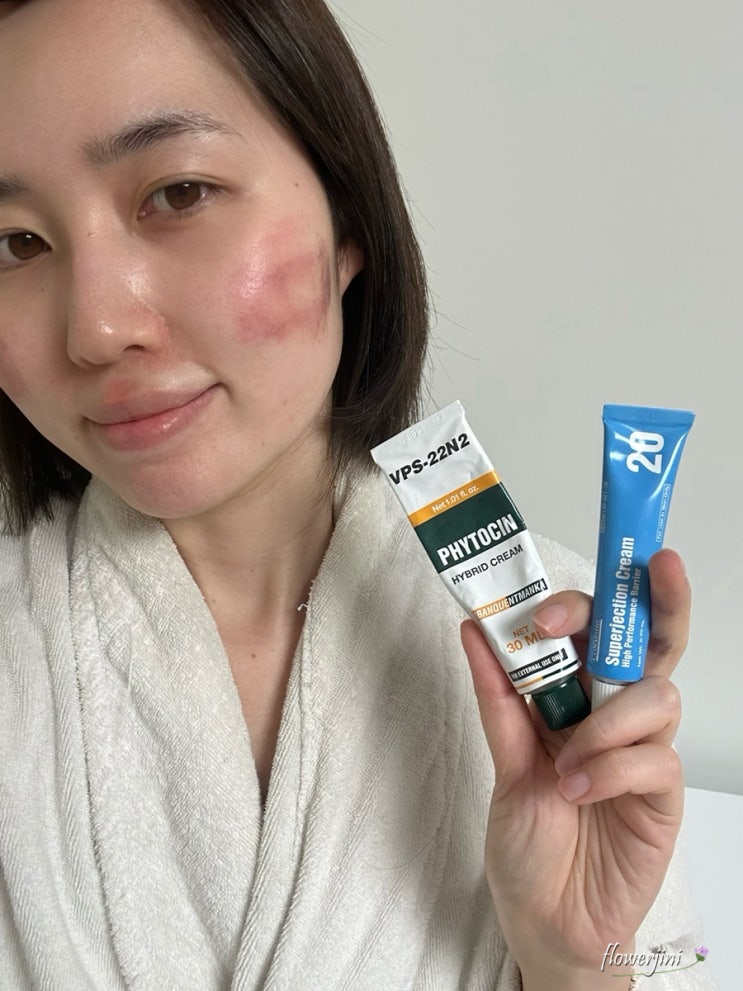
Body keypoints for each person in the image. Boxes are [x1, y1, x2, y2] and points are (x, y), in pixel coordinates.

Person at [0, 1, 714, 989]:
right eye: (15, 244)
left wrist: (574, 963)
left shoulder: (554, 643)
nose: (96, 327)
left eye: (178, 192)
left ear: (348, 225)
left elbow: (668, 963)